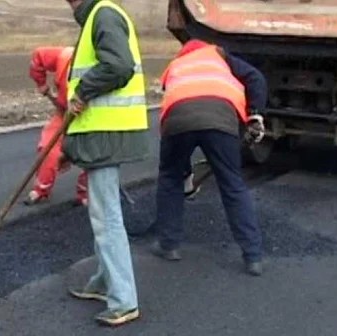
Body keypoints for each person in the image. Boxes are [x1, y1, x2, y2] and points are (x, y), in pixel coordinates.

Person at [61, 0, 148, 327]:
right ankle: (102, 281)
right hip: (100, 134)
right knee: (100, 211)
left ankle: (124, 300)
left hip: (108, 134)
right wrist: (70, 147)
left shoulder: (104, 15)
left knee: (107, 216)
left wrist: (82, 91)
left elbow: (119, 66)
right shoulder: (95, 18)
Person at [153, 39, 268, 276]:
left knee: (169, 178)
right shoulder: (219, 55)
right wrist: (255, 115)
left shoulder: (175, 66)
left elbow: (175, 101)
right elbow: (256, 78)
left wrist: (184, 173)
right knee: (233, 185)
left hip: (178, 121)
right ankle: (253, 256)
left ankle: (169, 245)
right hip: (220, 120)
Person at [24, 46, 88, 207]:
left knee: (93, 154)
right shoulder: (65, 56)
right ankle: (41, 190)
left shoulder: (105, 63)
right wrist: (42, 85)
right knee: (48, 147)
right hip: (64, 112)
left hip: (92, 117)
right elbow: (38, 56)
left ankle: (85, 193)